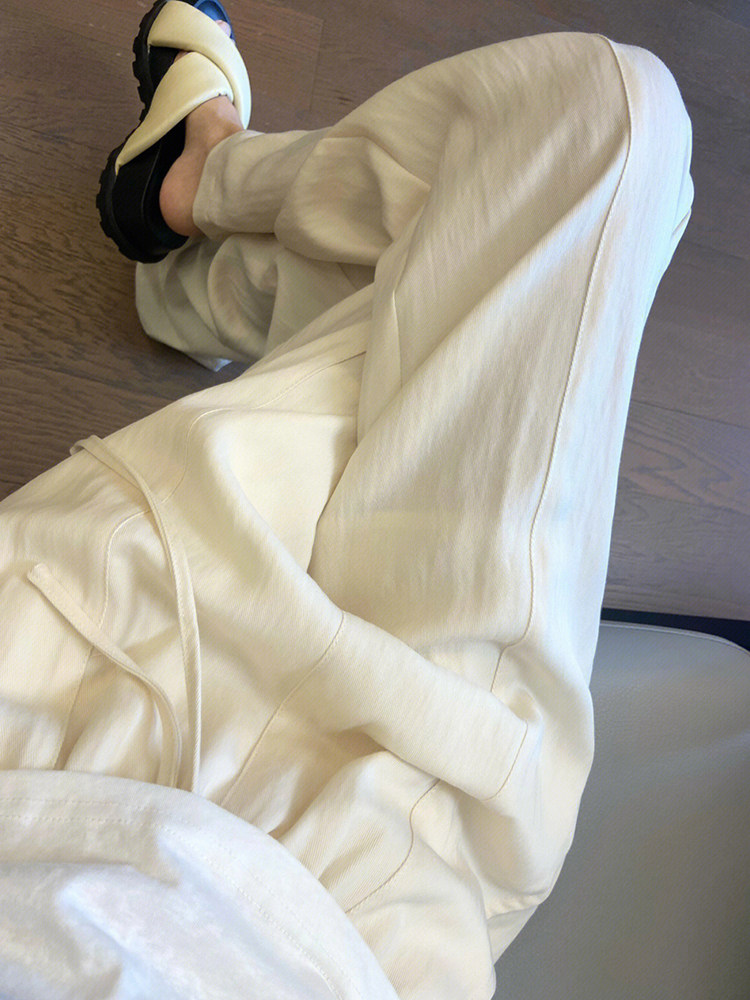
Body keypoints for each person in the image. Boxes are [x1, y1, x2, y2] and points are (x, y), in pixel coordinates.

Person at [0, 2, 694, 998]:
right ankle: (197, 225)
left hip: (80, 749)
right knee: (600, 119)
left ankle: (195, 220)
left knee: (578, 166)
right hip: (386, 900)